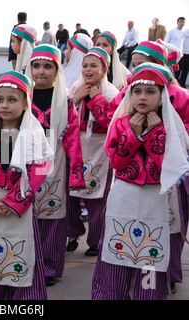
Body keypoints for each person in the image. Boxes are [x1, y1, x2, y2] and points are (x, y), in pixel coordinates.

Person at [92, 63, 189, 300]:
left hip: (155, 198)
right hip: (124, 195)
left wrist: (155, 133)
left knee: (150, 254)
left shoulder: (169, 127)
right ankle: (111, 294)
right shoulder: (121, 123)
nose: (143, 97)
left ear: (162, 95)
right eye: (137, 91)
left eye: (150, 92)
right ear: (130, 94)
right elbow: (117, 162)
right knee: (117, 249)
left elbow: (165, 167)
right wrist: (133, 136)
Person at [0, 70, 54, 300]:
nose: (4, 105)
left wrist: (15, 201)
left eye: (12, 99)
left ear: (26, 103)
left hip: (20, 206)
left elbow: (39, 169)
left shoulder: (34, 135)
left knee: (23, 255)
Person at [24, 45, 85, 286]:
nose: (41, 71)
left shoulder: (64, 101)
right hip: (25, 161)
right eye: (36, 66)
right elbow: (7, 128)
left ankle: (49, 266)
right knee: (25, 213)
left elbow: (72, 138)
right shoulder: (21, 95)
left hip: (54, 162)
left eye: (47, 66)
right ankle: (25, 261)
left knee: (52, 214)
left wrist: (76, 173)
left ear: (57, 70)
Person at [66, 47, 119, 256]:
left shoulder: (112, 93)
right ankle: (73, 232)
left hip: (99, 152)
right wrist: (75, 100)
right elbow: (62, 118)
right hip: (75, 148)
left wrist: (96, 99)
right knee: (70, 197)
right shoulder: (74, 88)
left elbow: (110, 123)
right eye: (85, 65)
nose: (88, 69)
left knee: (97, 199)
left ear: (104, 69)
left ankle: (96, 240)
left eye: (94, 65)